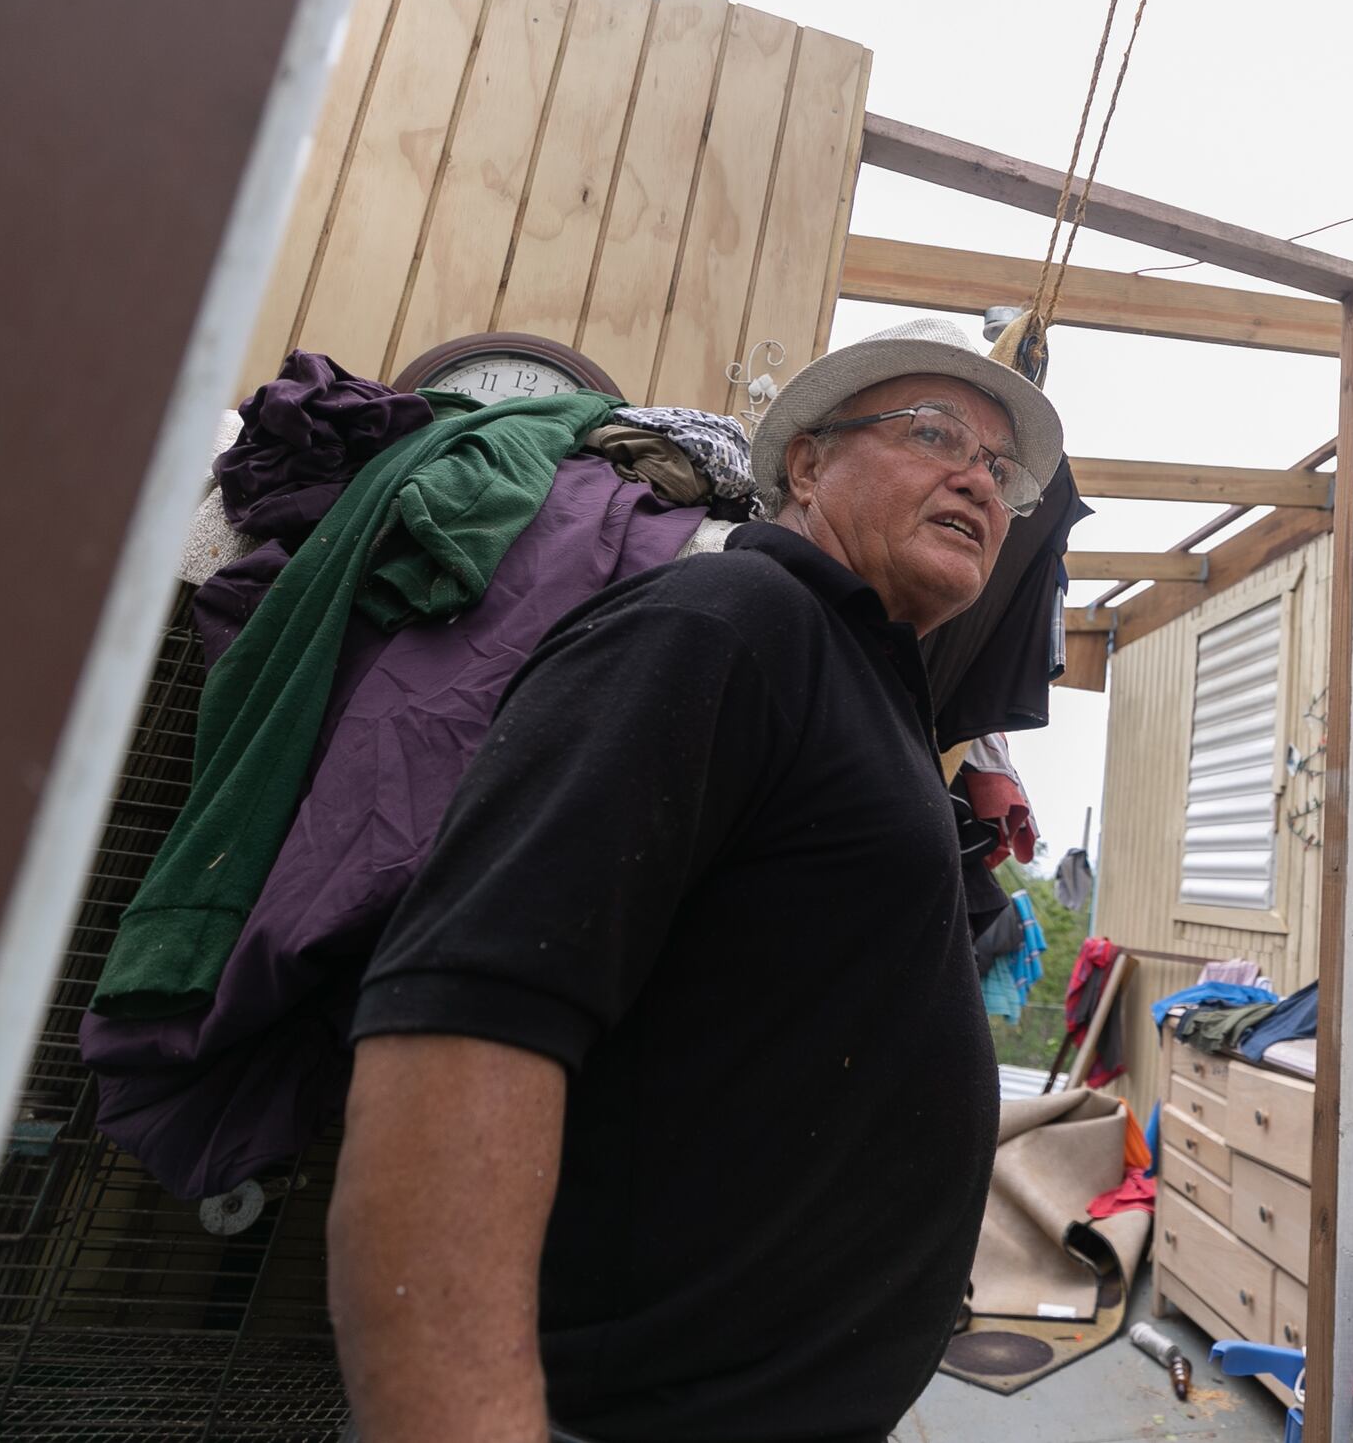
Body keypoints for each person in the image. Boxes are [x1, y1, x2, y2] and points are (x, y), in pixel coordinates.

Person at [325, 318, 1065, 1443]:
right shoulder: (724, 625)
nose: (977, 476)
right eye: (931, 432)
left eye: (999, 470)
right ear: (806, 463)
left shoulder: (864, 685)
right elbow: (460, 1022)